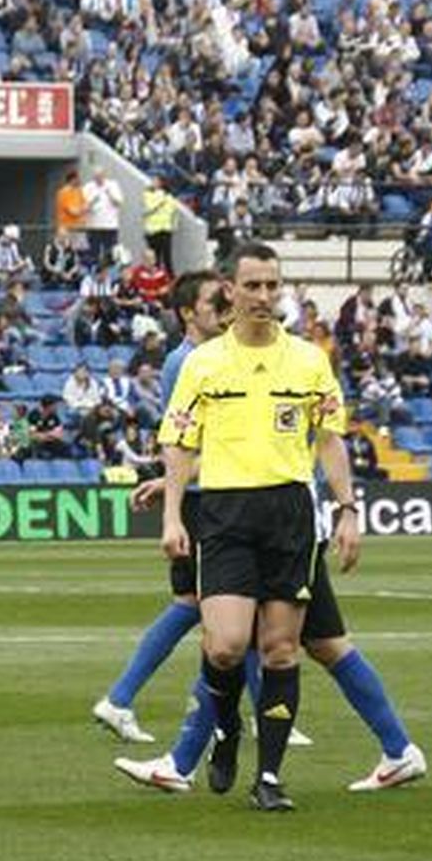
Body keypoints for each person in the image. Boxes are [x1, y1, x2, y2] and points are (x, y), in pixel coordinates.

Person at [149, 243, 358, 812]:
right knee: (225, 646)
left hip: (290, 512)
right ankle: (226, 730)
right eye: (254, 286)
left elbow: (330, 438)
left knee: (281, 650)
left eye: (273, 285)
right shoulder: (205, 363)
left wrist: (347, 508)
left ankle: (269, 777)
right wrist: (172, 514)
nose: (265, 296)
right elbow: (179, 441)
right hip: (224, 512)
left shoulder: (310, 360)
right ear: (231, 291)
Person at [115, 478, 426, 795]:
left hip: (281, 522)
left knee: (235, 641)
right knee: (325, 645)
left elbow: (281, 446)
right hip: (283, 517)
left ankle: (181, 763)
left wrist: (175, 482)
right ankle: (399, 750)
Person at [91, 273, 228, 745]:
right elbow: (185, 440)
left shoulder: (201, 357)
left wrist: (166, 480)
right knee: (225, 610)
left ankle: (123, 699)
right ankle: (221, 715)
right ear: (189, 311)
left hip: (206, 492)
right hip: (206, 501)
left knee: (206, 608)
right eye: (217, 302)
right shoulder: (185, 362)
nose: (226, 309)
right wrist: (175, 486)